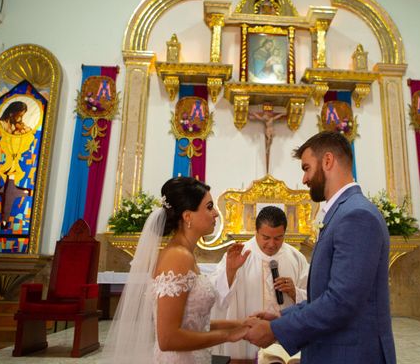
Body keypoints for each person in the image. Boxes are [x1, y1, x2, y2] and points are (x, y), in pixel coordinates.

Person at [245, 131, 397, 363]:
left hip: (350, 355)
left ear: (327, 161)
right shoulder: (344, 212)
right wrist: (279, 317)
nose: (304, 179)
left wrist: (275, 330)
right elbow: (325, 295)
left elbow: (341, 302)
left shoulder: (356, 215)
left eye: (306, 168)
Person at [101, 177, 247, 364]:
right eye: (209, 207)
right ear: (188, 216)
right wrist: (227, 336)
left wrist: (240, 323)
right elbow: (168, 338)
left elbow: (193, 323)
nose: (216, 214)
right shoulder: (178, 257)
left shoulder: (185, 253)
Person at [210, 206, 309, 359]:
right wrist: (230, 271)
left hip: (285, 343)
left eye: (278, 238)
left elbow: (315, 298)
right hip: (246, 344)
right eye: (266, 237)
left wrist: (296, 292)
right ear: (256, 231)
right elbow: (215, 295)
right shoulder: (239, 254)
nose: (272, 244)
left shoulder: (296, 258)